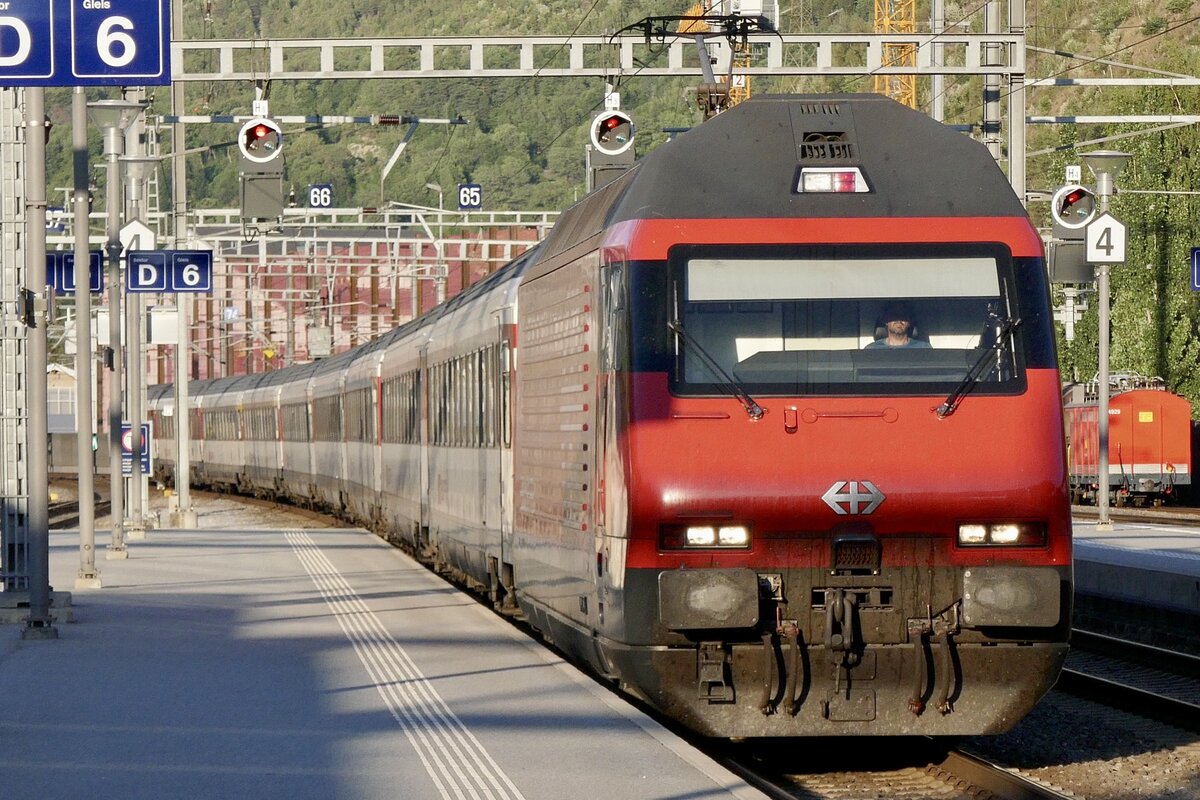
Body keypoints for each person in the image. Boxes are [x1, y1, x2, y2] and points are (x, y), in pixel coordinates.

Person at [865, 301, 931, 349]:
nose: (898, 321)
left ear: (909, 322)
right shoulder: (872, 349)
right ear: (886, 321)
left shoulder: (923, 348)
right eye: (894, 316)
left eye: (903, 316)